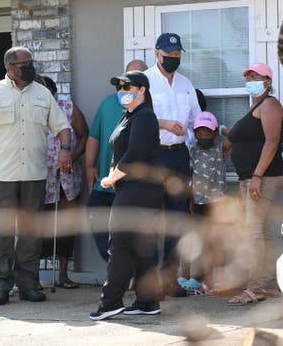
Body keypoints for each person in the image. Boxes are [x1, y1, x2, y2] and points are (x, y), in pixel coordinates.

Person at [0, 46, 72, 306]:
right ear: (11, 68)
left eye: (31, 62)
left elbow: (62, 127)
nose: (30, 66)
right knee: (1, 233)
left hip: (34, 175)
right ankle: (1, 287)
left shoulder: (43, 94)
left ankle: (29, 285)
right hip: (1, 175)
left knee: (31, 232)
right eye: (25, 63)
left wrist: (65, 149)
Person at [89, 71, 164, 320]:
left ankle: (110, 302)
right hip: (131, 190)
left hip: (139, 191)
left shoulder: (144, 117)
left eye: (127, 86)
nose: (122, 91)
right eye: (119, 87)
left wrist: (111, 178)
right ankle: (147, 301)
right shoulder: (129, 116)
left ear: (142, 90)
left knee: (119, 245)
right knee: (140, 247)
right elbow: (118, 152)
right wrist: (113, 174)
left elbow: (134, 155)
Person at [224, 63, 283, 305]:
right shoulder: (256, 107)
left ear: (268, 81)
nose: (250, 79)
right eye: (248, 75)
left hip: (264, 178)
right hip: (251, 178)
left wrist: (257, 177)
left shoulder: (270, 105)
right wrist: (227, 145)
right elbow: (246, 137)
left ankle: (256, 287)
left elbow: (271, 142)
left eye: (255, 76)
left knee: (252, 232)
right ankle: (268, 284)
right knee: (261, 232)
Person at [144, 33, 201, 296]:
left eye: (177, 54)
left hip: (179, 157)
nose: (173, 58)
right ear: (157, 53)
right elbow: (132, 118)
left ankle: (169, 279)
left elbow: (196, 121)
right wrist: (163, 123)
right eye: (169, 54)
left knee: (176, 220)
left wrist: (191, 134)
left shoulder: (186, 84)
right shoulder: (143, 81)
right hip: (153, 157)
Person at [85, 59, 147, 262]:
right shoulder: (108, 103)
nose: (125, 86)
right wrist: (89, 165)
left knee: (127, 236)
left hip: (128, 187)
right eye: (125, 79)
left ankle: (123, 274)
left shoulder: (146, 111)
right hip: (103, 183)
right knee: (99, 227)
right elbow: (94, 135)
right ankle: (118, 269)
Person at [40, 76, 88, 289]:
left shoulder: (68, 108)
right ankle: (34, 276)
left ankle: (63, 276)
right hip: (41, 177)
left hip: (67, 175)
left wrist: (71, 158)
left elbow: (84, 136)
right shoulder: (32, 111)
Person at [178, 111, 227, 293]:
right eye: (200, 133)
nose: (203, 136)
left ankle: (216, 281)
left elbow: (236, 137)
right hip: (197, 203)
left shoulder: (220, 147)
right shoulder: (192, 149)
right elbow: (190, 175)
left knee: (216, 243)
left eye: (208, 132)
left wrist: (223, 130)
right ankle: (191, 278)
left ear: (214, 133)